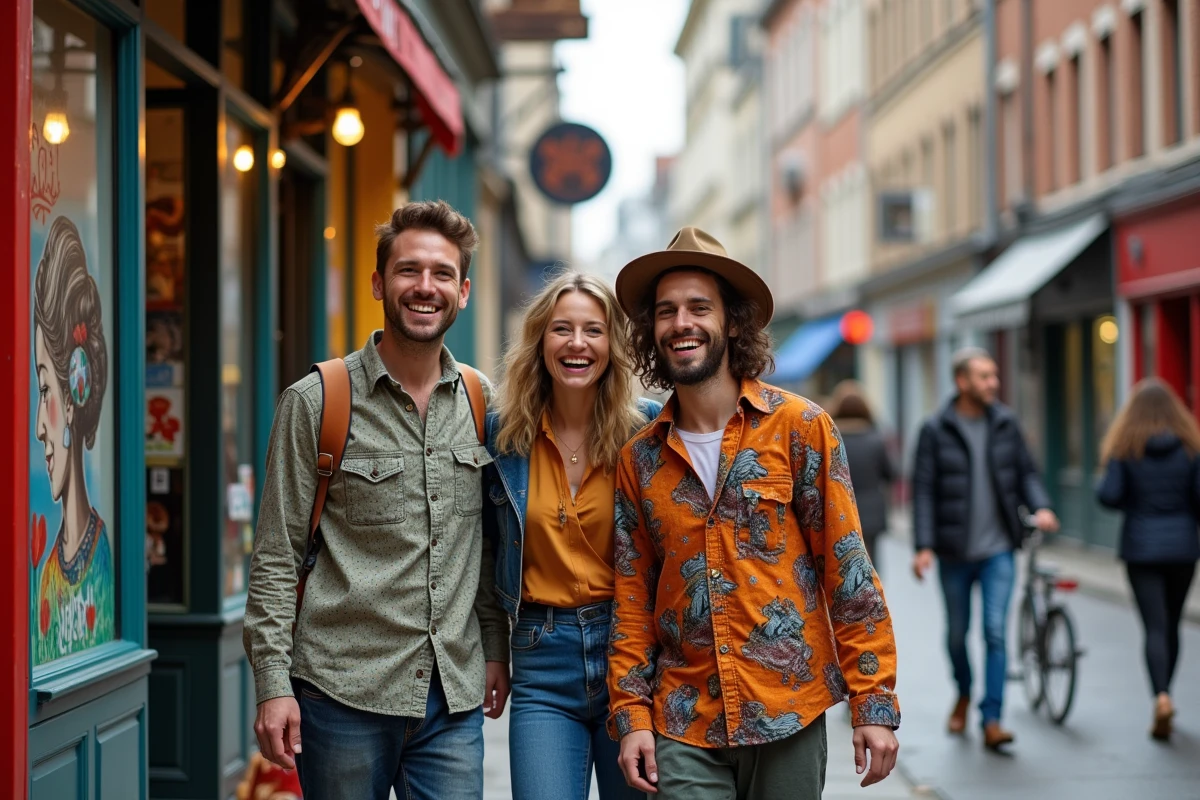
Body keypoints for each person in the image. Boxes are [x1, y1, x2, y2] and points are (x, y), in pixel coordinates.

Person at [606, 227, 901, 799]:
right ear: (651, 331)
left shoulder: (801, 428)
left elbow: (849, 571)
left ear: (732, 321)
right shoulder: (639, 458)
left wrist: (874, 700)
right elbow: (632, 598)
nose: (680, 323)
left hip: (788, 709)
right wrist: (632, 716)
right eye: (665, 312)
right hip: (683, 718)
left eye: (698, 307)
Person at [243, 201, 510, 800]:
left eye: (442, 274)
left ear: (463, 291)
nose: (425, 287)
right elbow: (275, 558)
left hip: (452, 695)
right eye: (408, 270)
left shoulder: (480, 401)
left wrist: (494, 649)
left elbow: (490, 547)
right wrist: (271, 684)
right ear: (377, 283)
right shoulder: (316, 401)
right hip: (341, 695)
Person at [485, 271, 661, 800]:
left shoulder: (647, 430)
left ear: (613, 345)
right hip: (540, 656)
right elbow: (487, 547)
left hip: (632, 658)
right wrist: (495, 650)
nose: (578, 344)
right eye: (562, 329)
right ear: (540, 341)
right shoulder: (504, 432)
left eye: (594, 330)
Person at [910, 347, 1059, 750]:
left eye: (994, 375)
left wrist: (1041, 506)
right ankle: (963, 691)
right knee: (958, 635)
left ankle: (992, 718)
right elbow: (923, 491)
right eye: (984, 376)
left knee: (995, 631)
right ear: (962, 382)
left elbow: (1026, 472)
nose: (993, 383)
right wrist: (924, 545)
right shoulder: (935, 429)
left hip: (998, 550)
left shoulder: (1006, 423)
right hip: (954, 552)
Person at [1095, 378, 1200, 741]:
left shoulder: (1126, 447)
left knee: (1153, 625)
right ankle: (1166, 694)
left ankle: (1161, 696)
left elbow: (1109, 496)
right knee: (1171, 624)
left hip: (1141, 547)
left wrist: (1132, 503)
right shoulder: (1191, 447)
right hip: (1184, 547)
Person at [32, 215, 115, 664]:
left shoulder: (100, 562)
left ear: (72, 397)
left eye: (44, 389)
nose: (37, 428)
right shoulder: (46, 574)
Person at [830, 381, 896, 570]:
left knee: (841, 563)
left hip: (838, 508)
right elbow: (890, 473)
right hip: (871, 510)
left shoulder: (831, 438)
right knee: (870, 563)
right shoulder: (876, 439)